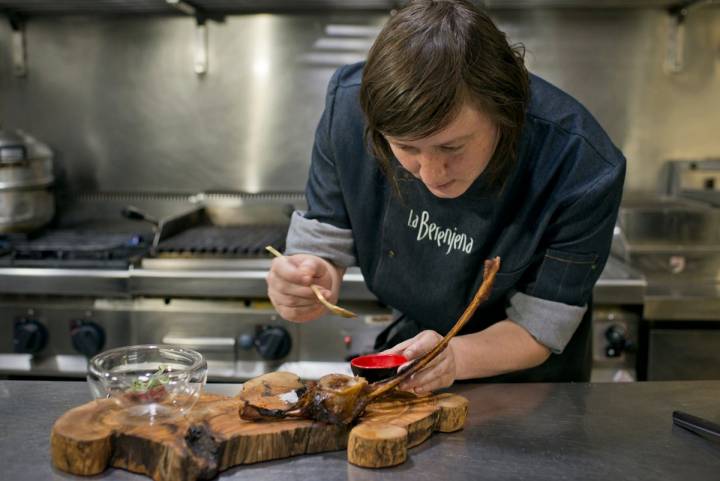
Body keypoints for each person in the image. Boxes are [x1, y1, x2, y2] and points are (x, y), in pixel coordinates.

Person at [267, 0, 625, 392]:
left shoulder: (579, 165)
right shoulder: (349, 110)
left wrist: (452, 357)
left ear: (504, 112)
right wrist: (308, 277)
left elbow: (537, 329)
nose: (431, 175)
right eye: (407, 148)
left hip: (529, 389)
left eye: (452, 148)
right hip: (416, 359)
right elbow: (323, 244)